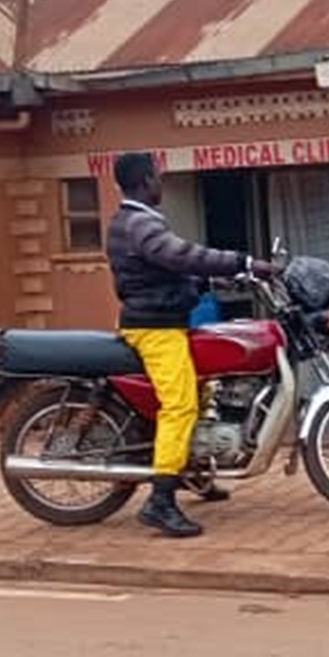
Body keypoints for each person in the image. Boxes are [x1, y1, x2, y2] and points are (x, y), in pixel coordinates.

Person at [106, 153, 274, 539]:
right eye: (158, 177)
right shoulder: (140, 223)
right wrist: (243, 261)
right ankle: (160, 501)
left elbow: (165, 272)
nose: (160, 184)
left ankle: (191, 472)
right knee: (179, 405)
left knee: (201, 393)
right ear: (146, 180)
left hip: (163, 320)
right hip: (156, 329)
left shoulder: (133, 221)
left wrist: (215, 283)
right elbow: (181, 255)